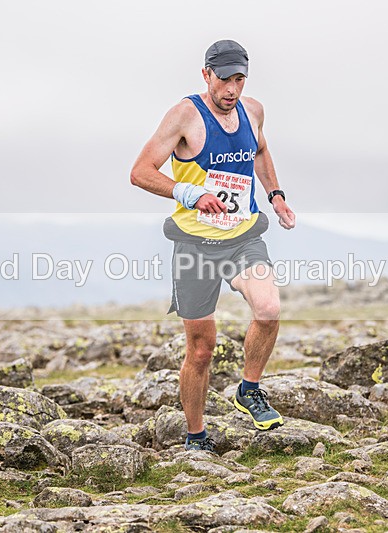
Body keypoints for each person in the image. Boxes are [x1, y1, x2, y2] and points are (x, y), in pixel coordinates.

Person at [130, 40, 296, 452]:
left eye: (239, 80)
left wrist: (275, 195)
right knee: (202, 350)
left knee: (269, 308)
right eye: (224, 80)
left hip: (242, 237)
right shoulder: (185, 115)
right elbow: (139, 172)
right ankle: (195, 435)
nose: (232, 90)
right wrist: (189, 193)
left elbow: (260, 151)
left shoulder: (253, 111)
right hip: (194, 244)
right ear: (206, 75)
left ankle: (249, 389)